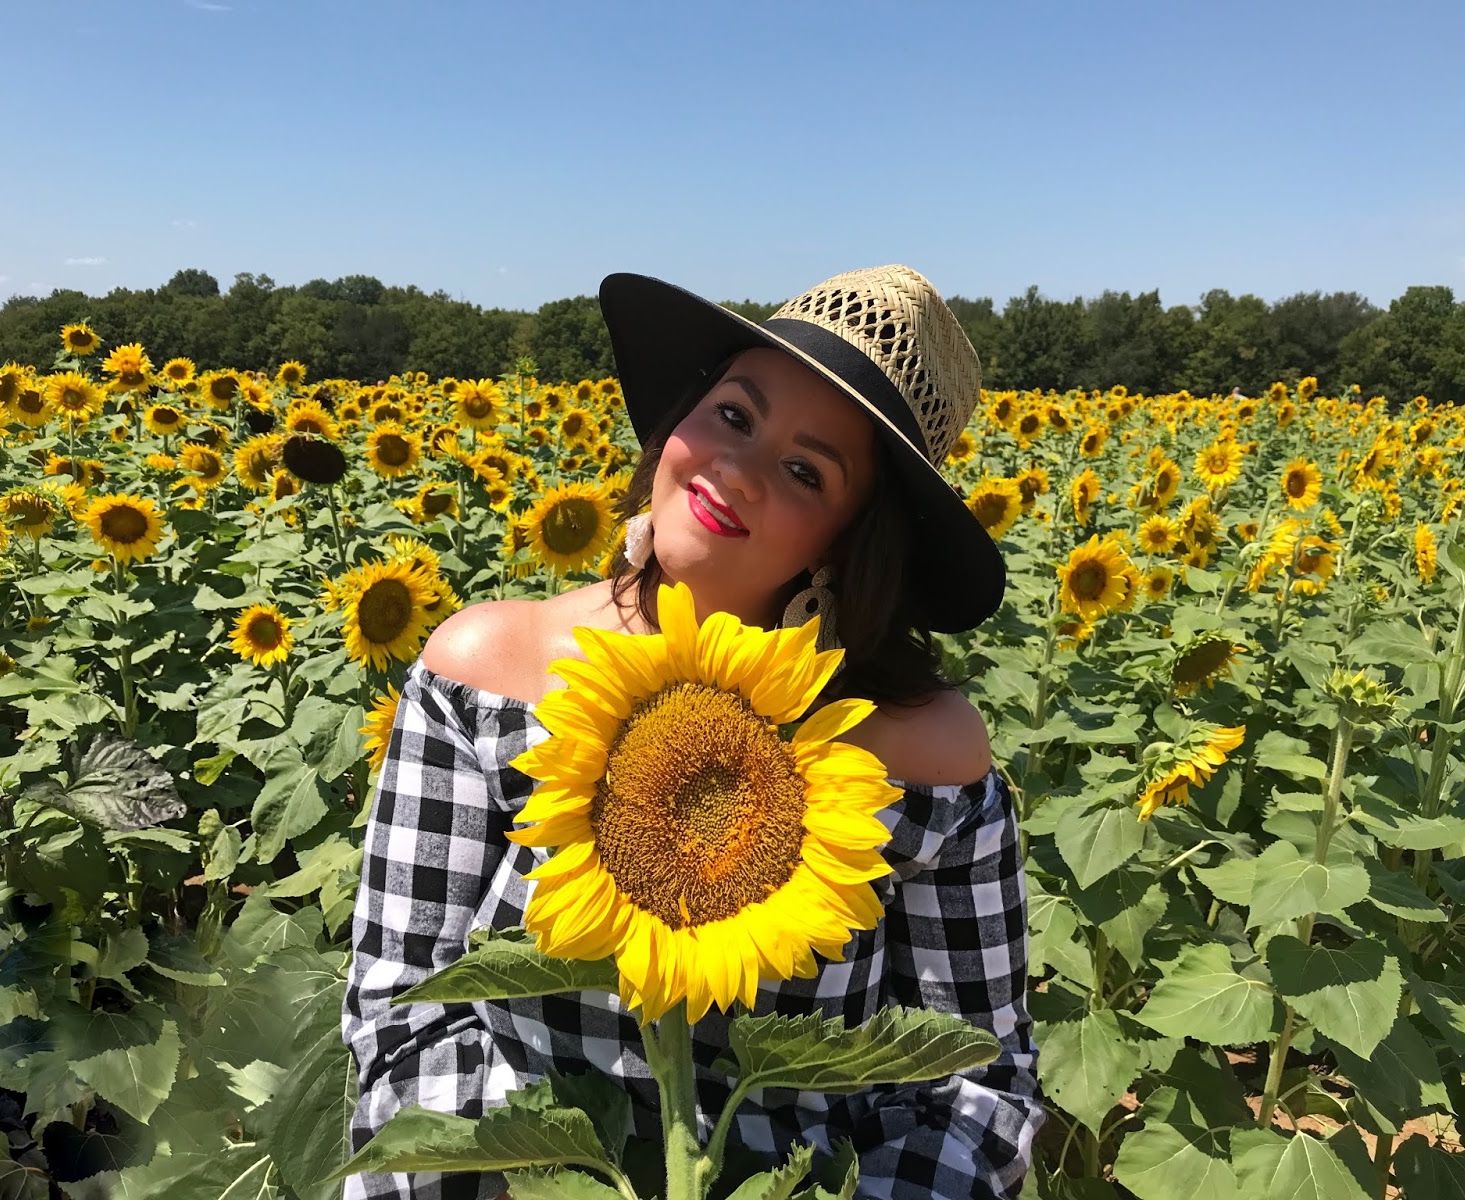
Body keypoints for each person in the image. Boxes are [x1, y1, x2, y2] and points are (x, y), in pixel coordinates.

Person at [341, 265, 1043, 1199]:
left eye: (805, 471)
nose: (735, 471)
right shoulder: (484, 673)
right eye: (732, 415)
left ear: (848, 537)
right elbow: (403, 1016)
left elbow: (977, 1083)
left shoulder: (923, 757)